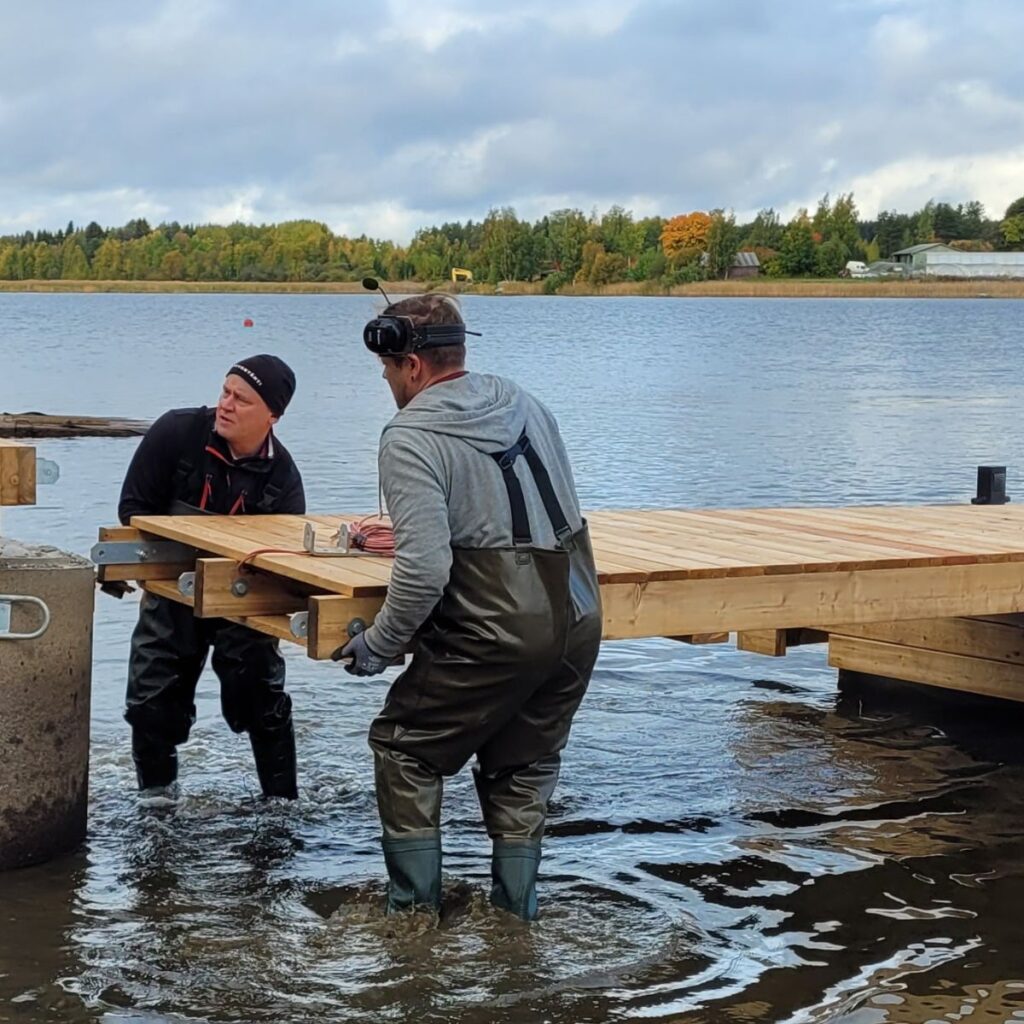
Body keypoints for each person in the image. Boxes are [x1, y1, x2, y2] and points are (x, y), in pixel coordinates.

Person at [337, 294, 601, 920]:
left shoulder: (410, 436)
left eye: (387, 369)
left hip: (496, 630)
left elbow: (424, 572)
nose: (386, 383)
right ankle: (516, 924)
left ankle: (413, 926)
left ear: (412, 366)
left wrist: (376, 646)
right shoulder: (525, 402)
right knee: (522, 764)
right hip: (578, 616)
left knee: (404, 749)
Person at [119, 354, 305, 801]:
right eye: (225, 392)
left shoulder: (283, 478)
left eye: (241, 399)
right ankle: (156, 804)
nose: (226, 404)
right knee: (151, 700)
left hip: (244, 595)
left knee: (259, 698)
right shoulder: (176, 432)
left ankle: (281, 805)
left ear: (272, 415)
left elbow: (288, 560)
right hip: (173, 585)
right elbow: (132, 508)